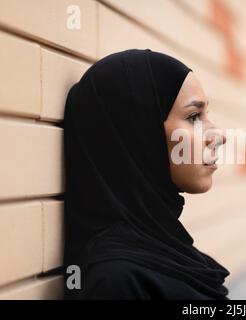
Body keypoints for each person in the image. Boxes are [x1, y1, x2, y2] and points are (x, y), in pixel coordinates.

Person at [62, 48, 230, 300]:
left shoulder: (167, 249)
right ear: (139, 134)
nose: (219, 135)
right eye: (194, 116)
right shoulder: (115, 283)